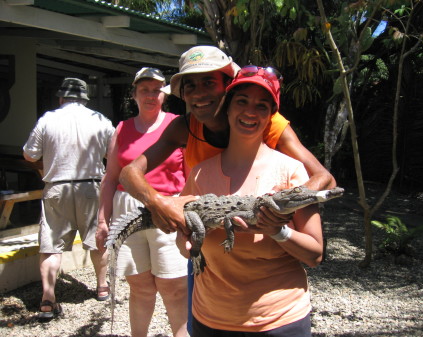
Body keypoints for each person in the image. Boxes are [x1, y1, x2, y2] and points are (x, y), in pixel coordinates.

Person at [119, 45, 336, 333]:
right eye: (190, 85)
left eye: (209, 82)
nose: (199, 93)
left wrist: (275, 214)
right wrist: (159, 204)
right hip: (210, 254)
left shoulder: (267, 123)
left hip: (273, 295)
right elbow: (129, 172)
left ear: (227, 85)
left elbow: (323, 179)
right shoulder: (185, 128)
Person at [177, 66, 322, 336]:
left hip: (279, 319)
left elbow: (315, 254)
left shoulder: (291, 171)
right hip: (210, 317)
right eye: (242, 101)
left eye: (262, 106)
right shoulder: (199, 172)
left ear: (271, 116)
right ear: (228, 107)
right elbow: (182, 238)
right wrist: (190, 244)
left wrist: (278, 231)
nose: (250, 112)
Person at [95, 68, 188, 337]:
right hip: (127, 210)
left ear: (164, 95)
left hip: (168, 208)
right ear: (134, 94)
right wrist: (103, 221)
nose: (150, 95)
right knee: (140, 286)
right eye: (144, 89)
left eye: (156, 89)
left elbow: (192, 173)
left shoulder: (178, 125)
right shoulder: (121, 129)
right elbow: (110, 178)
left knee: (174, 287)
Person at [23, 78, 114, 319]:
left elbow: (29, 154)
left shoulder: (47, 119)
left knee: (51, 246)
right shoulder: (100, 120)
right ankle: (102, 287)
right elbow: (114, 155)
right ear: (84, 99)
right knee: (98, 240)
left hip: (56, 187)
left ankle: (47, 298)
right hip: (92, 187)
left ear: (61, 98)